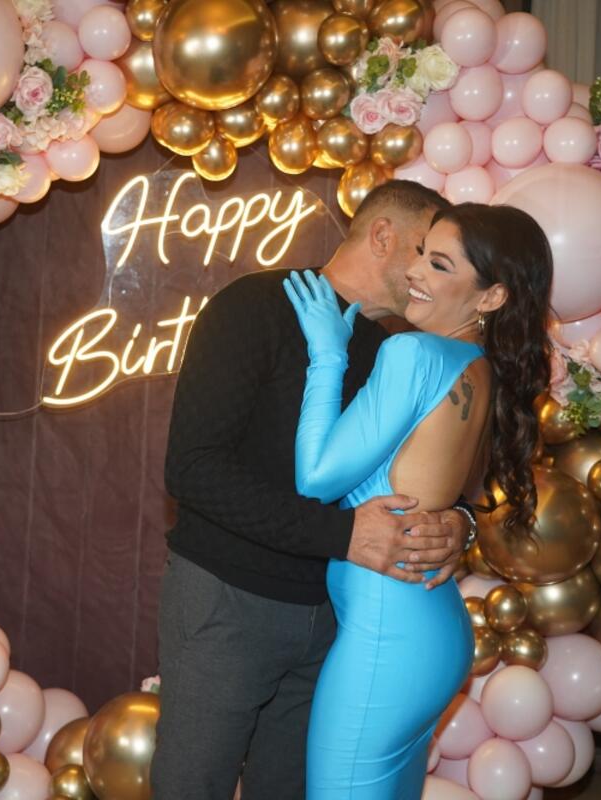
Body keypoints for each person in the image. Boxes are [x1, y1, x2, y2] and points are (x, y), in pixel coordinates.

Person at [154, 182, 476, 800]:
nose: (427, 276)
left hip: (337, 616)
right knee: (193, 785)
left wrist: (462, 521)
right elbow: (192, 469)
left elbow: (436, 469)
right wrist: (344, 535)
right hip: (229, 600)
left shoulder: (395, 349)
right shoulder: (254, 306)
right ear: (382, 236)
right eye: (425, 251)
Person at [285, 202, 553, 798]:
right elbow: (454, 495)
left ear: (491, 297)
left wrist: (327, 354)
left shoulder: (412, 354)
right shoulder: (480, 367)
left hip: (388, 636)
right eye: (421, 254)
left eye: (439, 264)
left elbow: (317, 479)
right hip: (433, 630)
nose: (415, 272)